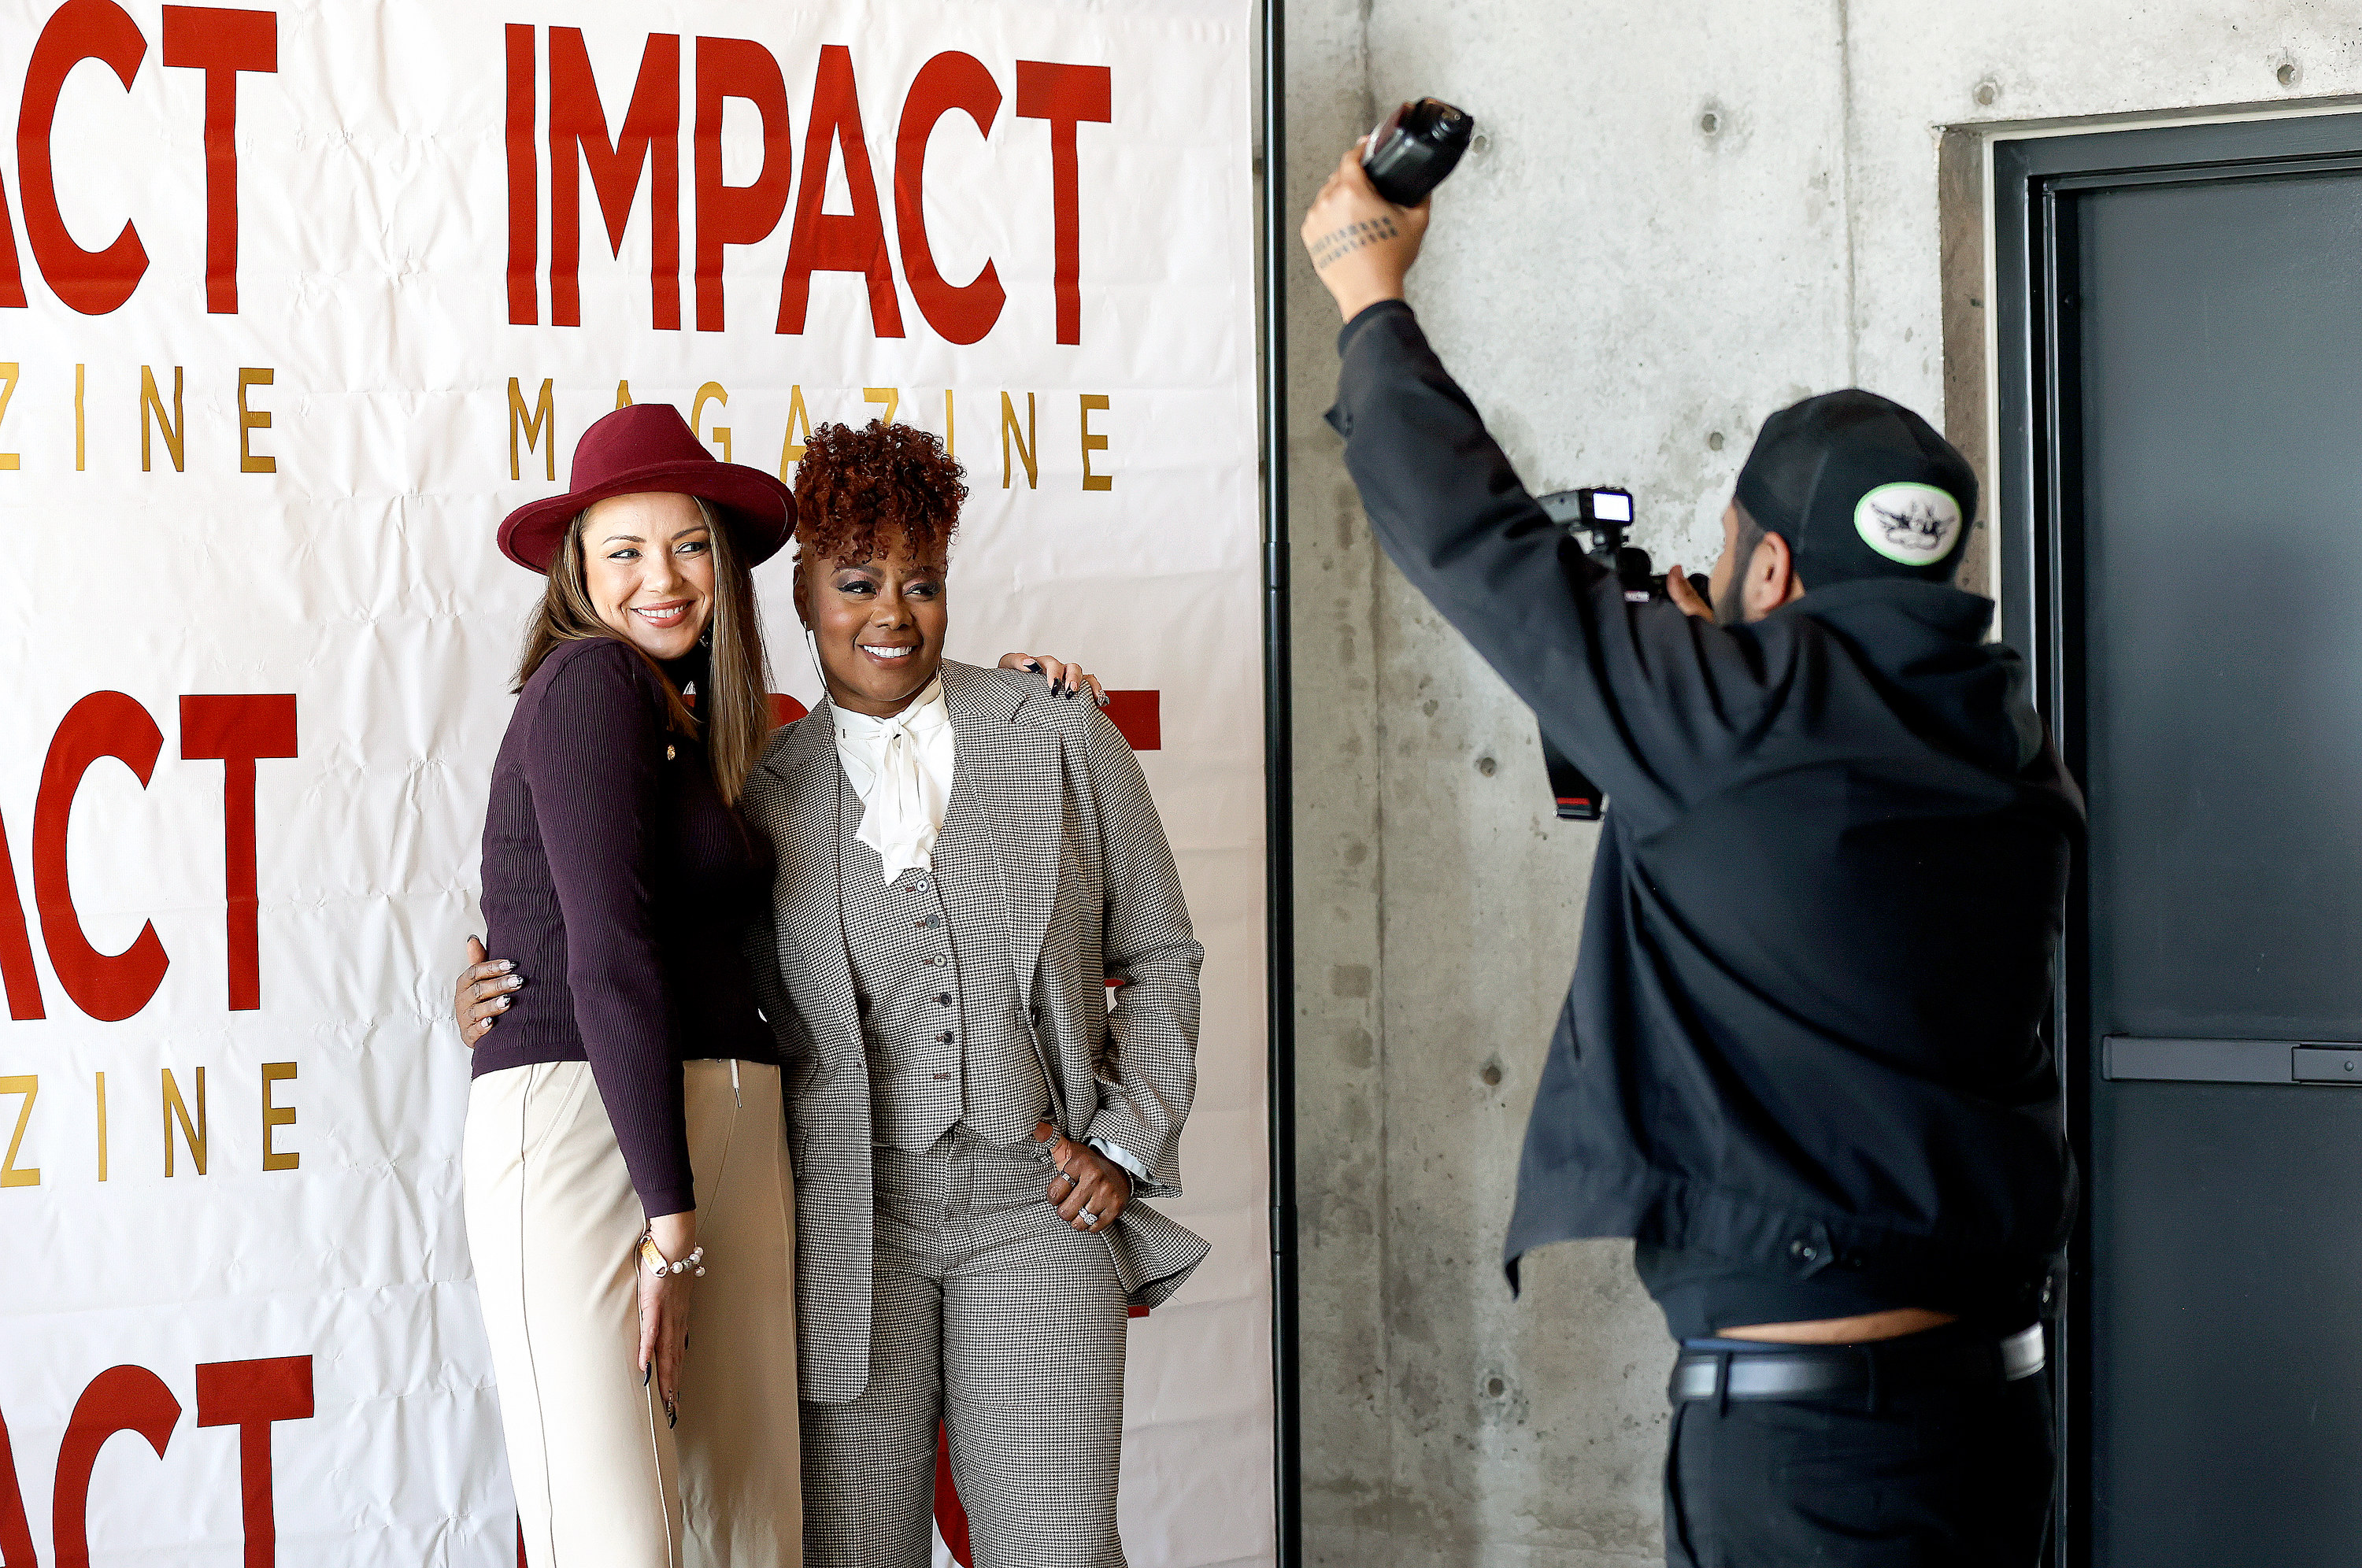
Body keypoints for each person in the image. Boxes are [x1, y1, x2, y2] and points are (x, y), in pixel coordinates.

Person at [1300, 146, 2083, 1566]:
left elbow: (1477, 542)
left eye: (1736, 558)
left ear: (1771, 571)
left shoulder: (1727, 713)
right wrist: (1702, 682)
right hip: (1995, 1418)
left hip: (1806, 1449)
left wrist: (1370, 289)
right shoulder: (2013, 747)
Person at [737, 419, 1207, 1568]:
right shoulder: (756, 794)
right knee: (851, 1551)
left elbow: (1159, 954)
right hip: (849, 1229)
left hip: (1031, 1211)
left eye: (923, 583)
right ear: (803, 594)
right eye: (858, 582)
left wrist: (1128, 1140)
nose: (892, 612)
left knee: (1055, 1547)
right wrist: (511, 1000)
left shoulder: (1055, 733)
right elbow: (655, 954)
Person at [463, 401, 804, 1567]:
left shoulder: (707, 725)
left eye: (691, 545)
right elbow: (607, 954)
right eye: (625, 551)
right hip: (599, 1137)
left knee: (746, 1538)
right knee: (623, 1541)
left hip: (721, 1129)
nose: (662, 578)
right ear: (578, 570)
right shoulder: (594, 680)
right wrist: (671, 1226)